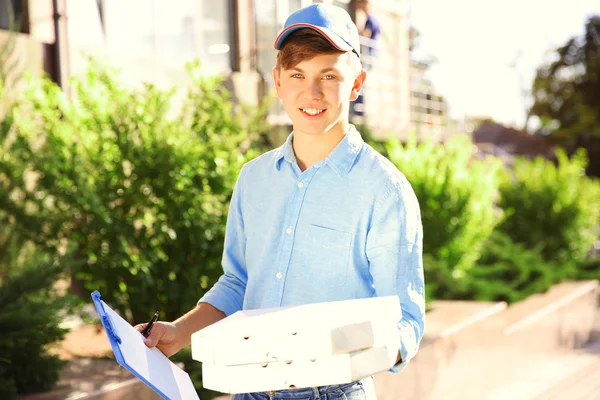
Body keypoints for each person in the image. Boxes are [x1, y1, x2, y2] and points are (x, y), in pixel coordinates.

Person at [136, 4, 425, 400]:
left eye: (329, 75)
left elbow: (406, 321)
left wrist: (348, 351)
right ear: (277, 80)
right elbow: (238, 282)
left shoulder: (385, 191)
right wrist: (179, 332)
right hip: (250, 389)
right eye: (297, 75)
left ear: (357, 83)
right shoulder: (253, 179)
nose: (312, 92)